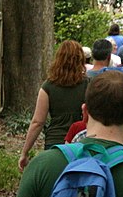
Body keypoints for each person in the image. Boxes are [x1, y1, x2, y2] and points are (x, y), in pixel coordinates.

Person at [18, 40, 88, 170]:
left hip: (54, 143)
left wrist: (25, 152)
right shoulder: (88, 85)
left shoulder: (48, 87)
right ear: (81, 60)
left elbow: (38, 122)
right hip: (81, 142)